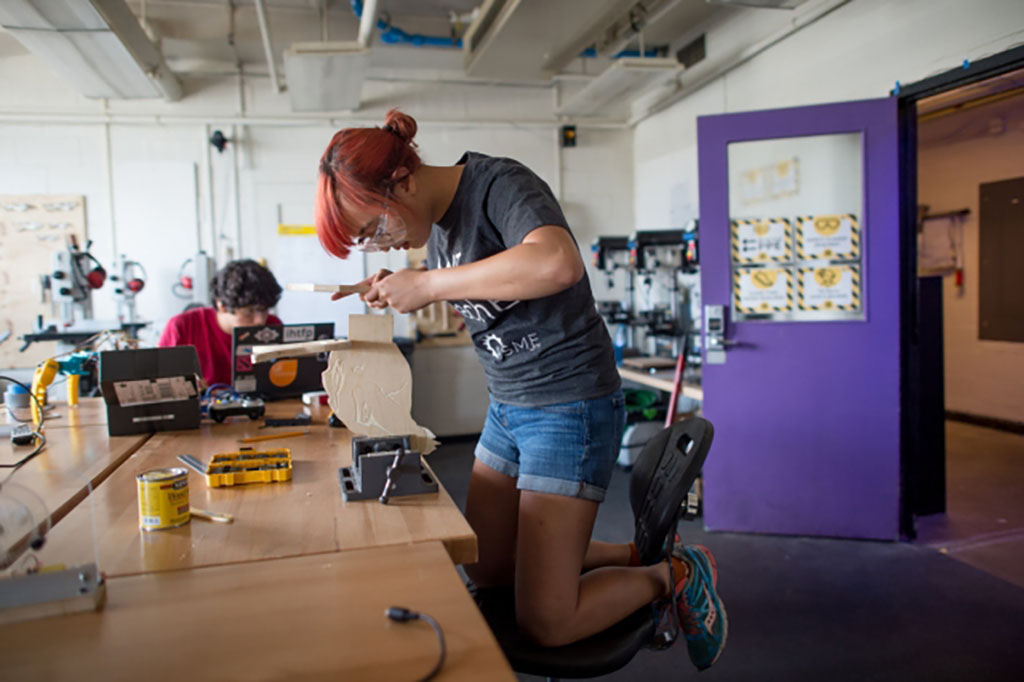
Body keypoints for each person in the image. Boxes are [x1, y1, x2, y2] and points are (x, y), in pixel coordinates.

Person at [314, 109, 727, 670]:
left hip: (568, 406)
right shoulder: (437, 236)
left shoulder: (497, 184)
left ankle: (671, 575)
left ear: (403, 182)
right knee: (483, 563)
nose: (379, 245)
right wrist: (398, 287)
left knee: (547, 622)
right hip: (509, 408)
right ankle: (636, 553)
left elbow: (556, 263)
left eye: (373, 229)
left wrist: (430, 284)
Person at [158, 259, 283, 387]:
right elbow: (159, 383)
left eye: (264, 310)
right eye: (250, 312)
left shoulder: (272, 326)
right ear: (222, 305)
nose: (260, 321)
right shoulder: (182, 328)